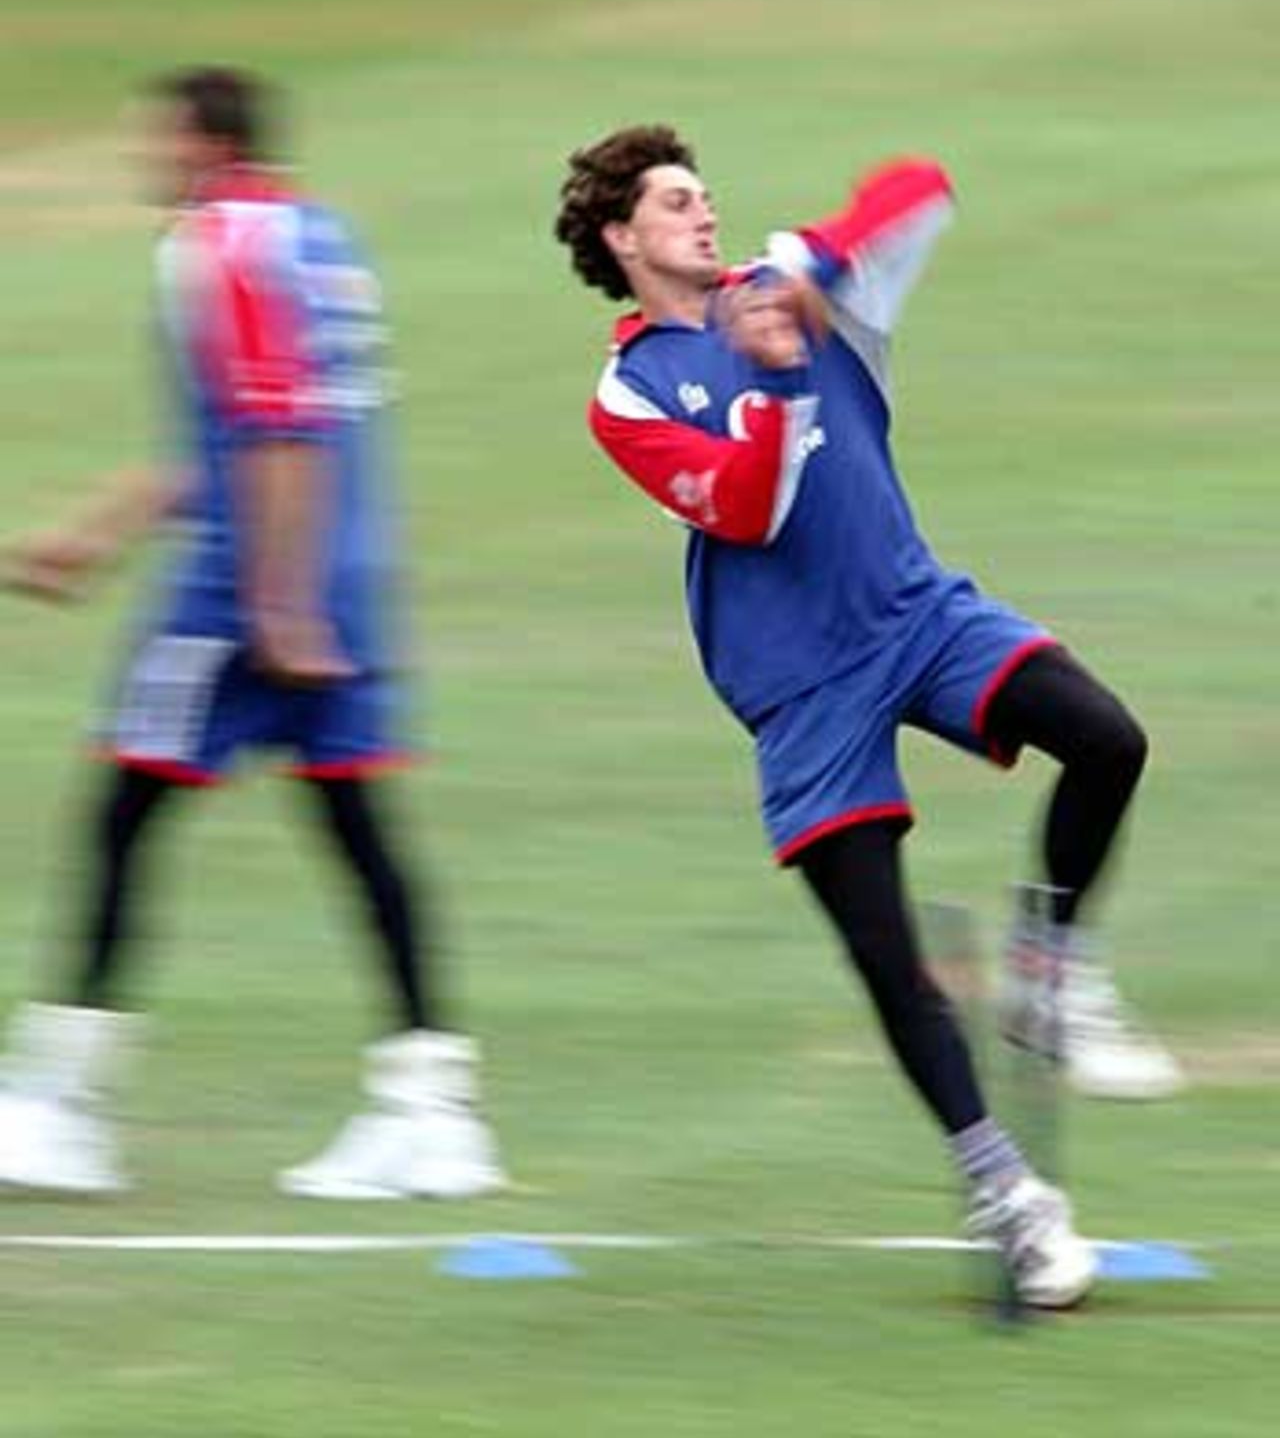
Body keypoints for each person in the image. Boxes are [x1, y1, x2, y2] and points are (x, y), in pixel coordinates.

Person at [555, 124, 1182, 1307]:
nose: (703, 213)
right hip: (800, 688)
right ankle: (1005, 1189)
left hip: (915, 612)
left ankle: (1049, 972)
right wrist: (782, 372)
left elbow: (919, 189)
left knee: (1107, 738)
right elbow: (745, 510)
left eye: (705, 194)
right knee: (889, 958)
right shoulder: (628, 392)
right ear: (619, 236)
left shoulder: (793, 287)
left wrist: (805, 261)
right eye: (674, 201)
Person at [0, 66, 504, 1202]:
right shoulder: (320, 240)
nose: (145, 158)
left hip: (243, 594)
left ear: (202, 141)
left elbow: (275, 430)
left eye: (157, 138)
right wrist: (102, 530)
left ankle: (57, 1105)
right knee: (358, 828)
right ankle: (431, 1111)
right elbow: (253, 426)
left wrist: (277, 607)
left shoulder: (214, 245)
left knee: (123, 812)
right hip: (348, 573)